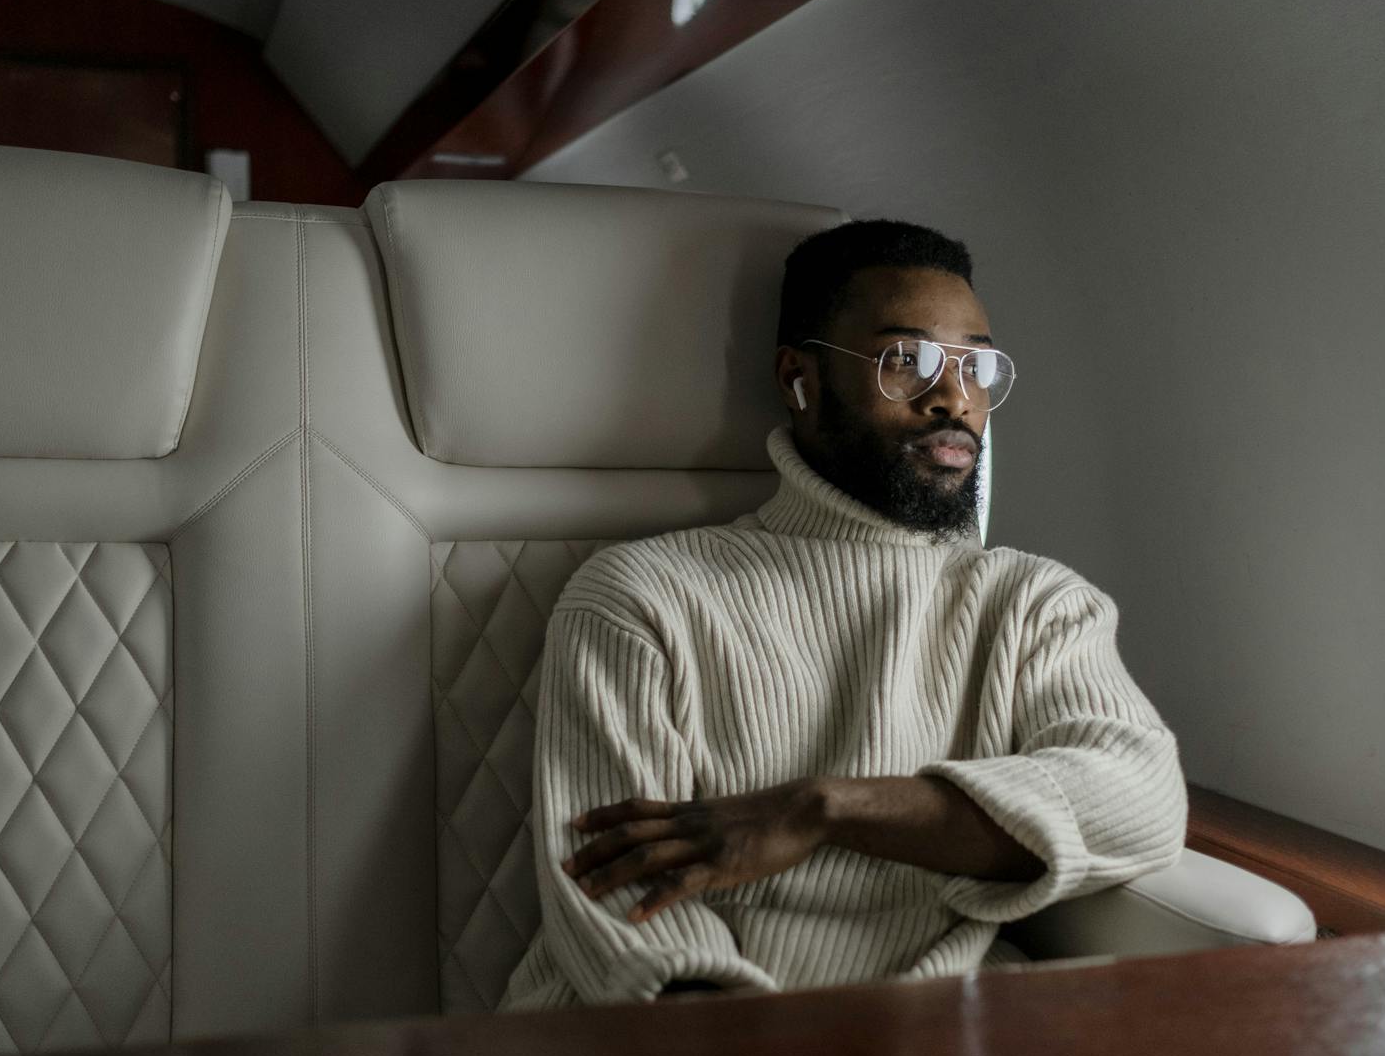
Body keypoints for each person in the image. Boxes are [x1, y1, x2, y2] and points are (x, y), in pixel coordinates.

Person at [497, 219, 1187, 1009]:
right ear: (800, 377)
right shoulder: (640, 594)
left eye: (976, 365)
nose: (954, 398)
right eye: (908, 360)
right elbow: (618, 899)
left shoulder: (1035, 604)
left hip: (920, 1042)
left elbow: (1142, 801)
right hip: (673, 1051)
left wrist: (823, 808)